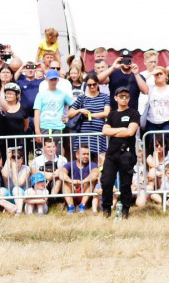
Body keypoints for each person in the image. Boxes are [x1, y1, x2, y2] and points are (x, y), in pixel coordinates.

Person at [100, 87, 140, 219]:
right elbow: (105, 131)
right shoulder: (111, 114)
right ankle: (106, 209)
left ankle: (125, 210)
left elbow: (130, 132)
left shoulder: (134, 113)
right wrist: (122, 128)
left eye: (126, 96)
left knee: (125, 184)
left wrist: (116, 130)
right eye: (121, 96)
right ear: (115, 97)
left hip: (126, 153)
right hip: (111, 153)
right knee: (106, 182)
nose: (124, 98)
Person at [67, 73, 110, 158]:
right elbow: (69, 114)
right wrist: (80, 110)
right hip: (84, 134)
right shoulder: (81, 98)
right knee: (83, 158)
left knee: (100, 159)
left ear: (97, 83)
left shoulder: (104, 97)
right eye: (89, 85)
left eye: (94, 84)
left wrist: (91, 115)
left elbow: (106, 113)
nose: (92, 87)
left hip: (99, 134)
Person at [33, 69, 75, 148]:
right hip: (44, 127)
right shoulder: (40, 95)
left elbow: (74, 105)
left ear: (58, 80)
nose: (53, 82)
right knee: (44, 153)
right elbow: (37, 113)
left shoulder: (63, 93)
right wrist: (37, 131)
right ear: (46, 80)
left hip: (58, 127)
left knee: (58, 153)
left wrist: (68, 118)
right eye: (51, 79)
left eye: (55, 79)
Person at [143, 66, 169, 158]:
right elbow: (141, 81)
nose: (158, 76)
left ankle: (168, 168)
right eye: (156, 74)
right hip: (152, 122)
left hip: (167, 122)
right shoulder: (150, 88)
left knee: (167, 146)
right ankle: (152, 168)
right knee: (151, 147)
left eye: (160, 74)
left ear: (166, 75)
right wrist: (151, 73)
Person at [59, 145, 99, 213]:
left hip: (85, 191)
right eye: (84, 154)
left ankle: (82, 206)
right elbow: (61, 174)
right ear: (77, 155)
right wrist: (71, 181)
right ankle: (71, 207)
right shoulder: (70, 164)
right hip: (72, 190)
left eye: (88, 154)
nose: (86, 156)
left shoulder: (93, 165)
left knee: (91, 182)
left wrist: (82, 182)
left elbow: (94, 175)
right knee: (65, 182)